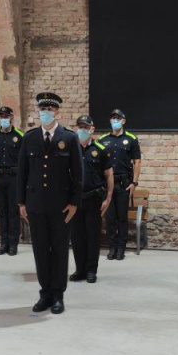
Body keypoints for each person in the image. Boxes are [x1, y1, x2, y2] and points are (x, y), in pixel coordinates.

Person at [16, 92, 82, 314]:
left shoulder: (70, 138)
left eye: (50, 110)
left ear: (57, 112)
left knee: (60, 250)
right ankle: (45, 293)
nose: (45, 113)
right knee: (40, 250)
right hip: (35, 206)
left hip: (61, 206)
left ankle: (58, 295)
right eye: (42, 110)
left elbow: (78, 174)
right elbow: (22, 173)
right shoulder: (30, 137)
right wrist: (21, 203)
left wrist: (74, 203)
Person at [70, 115, 113, 284]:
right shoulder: (70, 149)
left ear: (92, 129)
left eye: (86, 127)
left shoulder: (101, 149)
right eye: (80, 127)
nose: (83, 130)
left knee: (92, 236)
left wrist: (108, 198)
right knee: (76, 236)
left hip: (94, 199)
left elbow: (109, 175)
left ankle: (91, 271)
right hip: (75, 200)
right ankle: (79, 269)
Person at [99, 109, 141, 261]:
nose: (115, 120)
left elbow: (137, 161)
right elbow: (99, 163)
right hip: (107, 185)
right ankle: (112, 247)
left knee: (122, 217)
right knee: (110, 217)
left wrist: (134, 182)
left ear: (124, 121)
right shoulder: (103, 140)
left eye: (118, 118)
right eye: (113, 118)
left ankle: (121, 248)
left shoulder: (131, 139)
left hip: (124, 183)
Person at [0, 106, 24, 256]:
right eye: (1, 116)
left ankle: (13, 244)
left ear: (12, 118)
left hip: (14, 178)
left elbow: (23, 161)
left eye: (6, 116)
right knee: (2, 212)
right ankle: (3, 243)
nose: (4, 119)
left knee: (13, 212)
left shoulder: (20, 136)